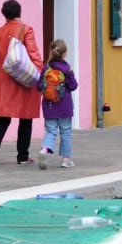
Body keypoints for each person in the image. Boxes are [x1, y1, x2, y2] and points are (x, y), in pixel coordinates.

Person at [0, 0, 43, 166]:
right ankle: (22, 156)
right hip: (23, 79)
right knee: (26, 118)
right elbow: (33, 54)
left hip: (3, 80)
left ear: (4, 14)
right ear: (19, 12)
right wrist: (38, 73)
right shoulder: (26, 29)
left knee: (3, 118)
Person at [37, 39, 79, 170]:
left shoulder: (46, 68)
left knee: (51, 130)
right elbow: (73, 86)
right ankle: (66, 160)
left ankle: (44, 150)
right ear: (64, 54)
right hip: (64, 105)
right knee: (65, 132)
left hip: (48, 106)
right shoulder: (67, 69)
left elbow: (39, 86)